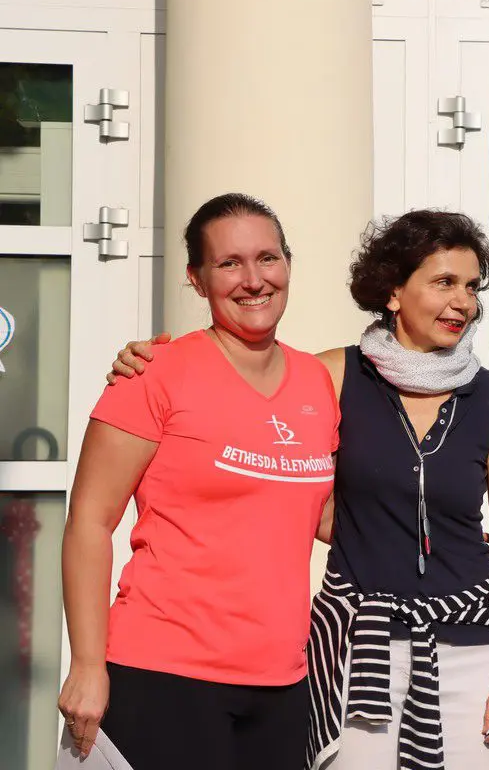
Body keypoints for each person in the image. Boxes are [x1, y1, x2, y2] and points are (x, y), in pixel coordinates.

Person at [107, 210, 489, 769]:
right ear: (393, 291)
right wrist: (146, 363)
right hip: (356, 645)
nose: (462, 301)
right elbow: (253, 419)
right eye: (443, 283)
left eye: (470, 287)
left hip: (473, 646)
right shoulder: (330, 377)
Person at [57, 193, 341, 769]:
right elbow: (89, 522)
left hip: (284, 681)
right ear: (196, 278)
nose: (254, 279)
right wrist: (87, 664)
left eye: (267, 258)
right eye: (229, 263)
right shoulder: (152, 374)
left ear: (288, 264)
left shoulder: (317, 380)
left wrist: (442, 538)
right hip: (164, 672)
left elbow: (326, 515)